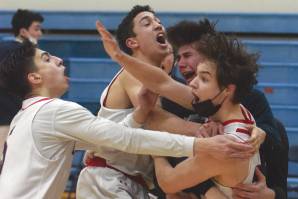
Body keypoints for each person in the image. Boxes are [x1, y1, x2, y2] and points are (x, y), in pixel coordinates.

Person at [0, 40, 257, 198]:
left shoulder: (26, 115)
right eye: (46, 58)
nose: (57, 59)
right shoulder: (55, 111)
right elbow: (124, 139)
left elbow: (108, 140)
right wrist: (200, 144)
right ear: (34, 78)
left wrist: (138, 114)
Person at [97, 21, 263, 198]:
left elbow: (168, 181)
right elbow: (163, 83)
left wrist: (154, 146)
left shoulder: (226, 147)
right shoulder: (238, 111)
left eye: (204, 79)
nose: (192, 83)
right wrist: (119, 56)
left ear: (227, 90)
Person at [77, 5, 223, 199]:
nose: (157, 25)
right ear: (132, 42)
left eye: (158, 22)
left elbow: (191, 100)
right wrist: (204, 132)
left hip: (136, 182)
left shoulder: (161, 81)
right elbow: (154, 117)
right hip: (109, 176)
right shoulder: (132, 73)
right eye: (147, 23)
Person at [164, 20, 287, 199]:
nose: (180, 64)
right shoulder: (183, 99)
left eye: (187, 55)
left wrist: (273, 195)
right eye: (178, 57)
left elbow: (168, 178)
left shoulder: (249, 107)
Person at [0, 9, 44, 158]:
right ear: (24, 31)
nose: (40, 33)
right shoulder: (25, 52)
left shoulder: (5, 48)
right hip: (10, 117)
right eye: (36, 29)